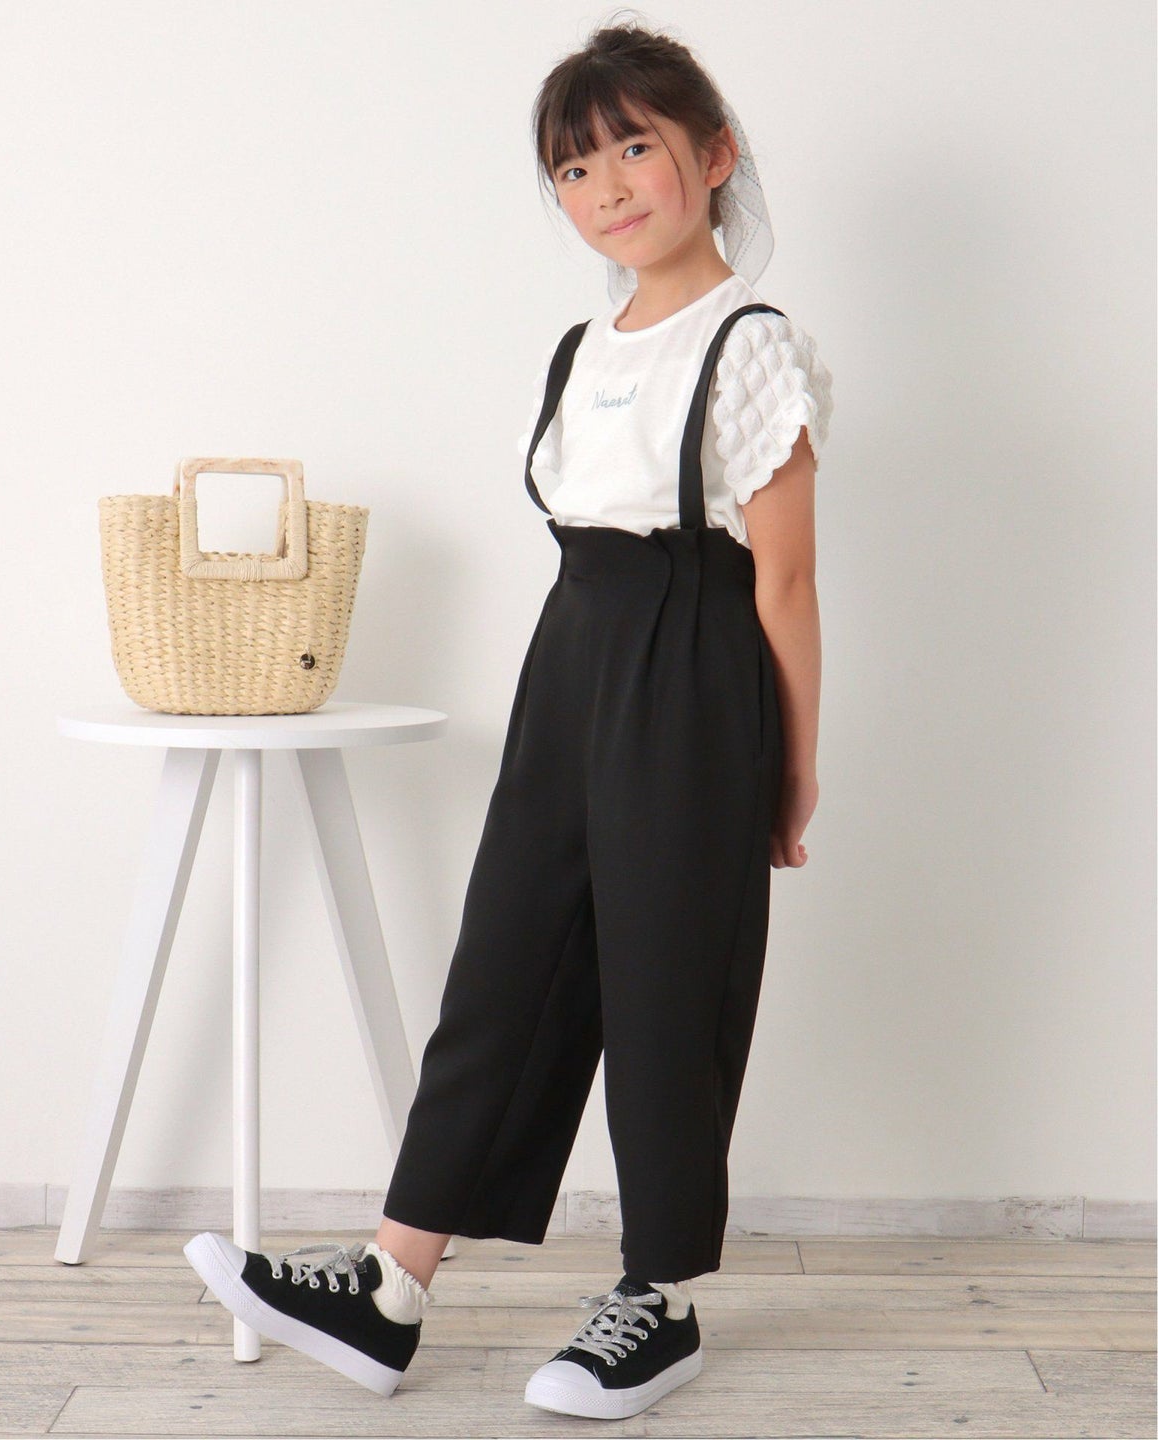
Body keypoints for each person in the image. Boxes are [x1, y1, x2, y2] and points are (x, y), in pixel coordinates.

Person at [183, 14, 833, 1423]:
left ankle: (659, 1297)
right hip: (570, 660)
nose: (606, 187)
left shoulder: (752, 348)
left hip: (693, 675)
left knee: (666, 986)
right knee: (507, 967)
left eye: (635, 148)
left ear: (716, 155)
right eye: (574, 168)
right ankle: (391, 1287)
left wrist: (792, 767)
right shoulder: (581, 346)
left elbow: (784, 585)